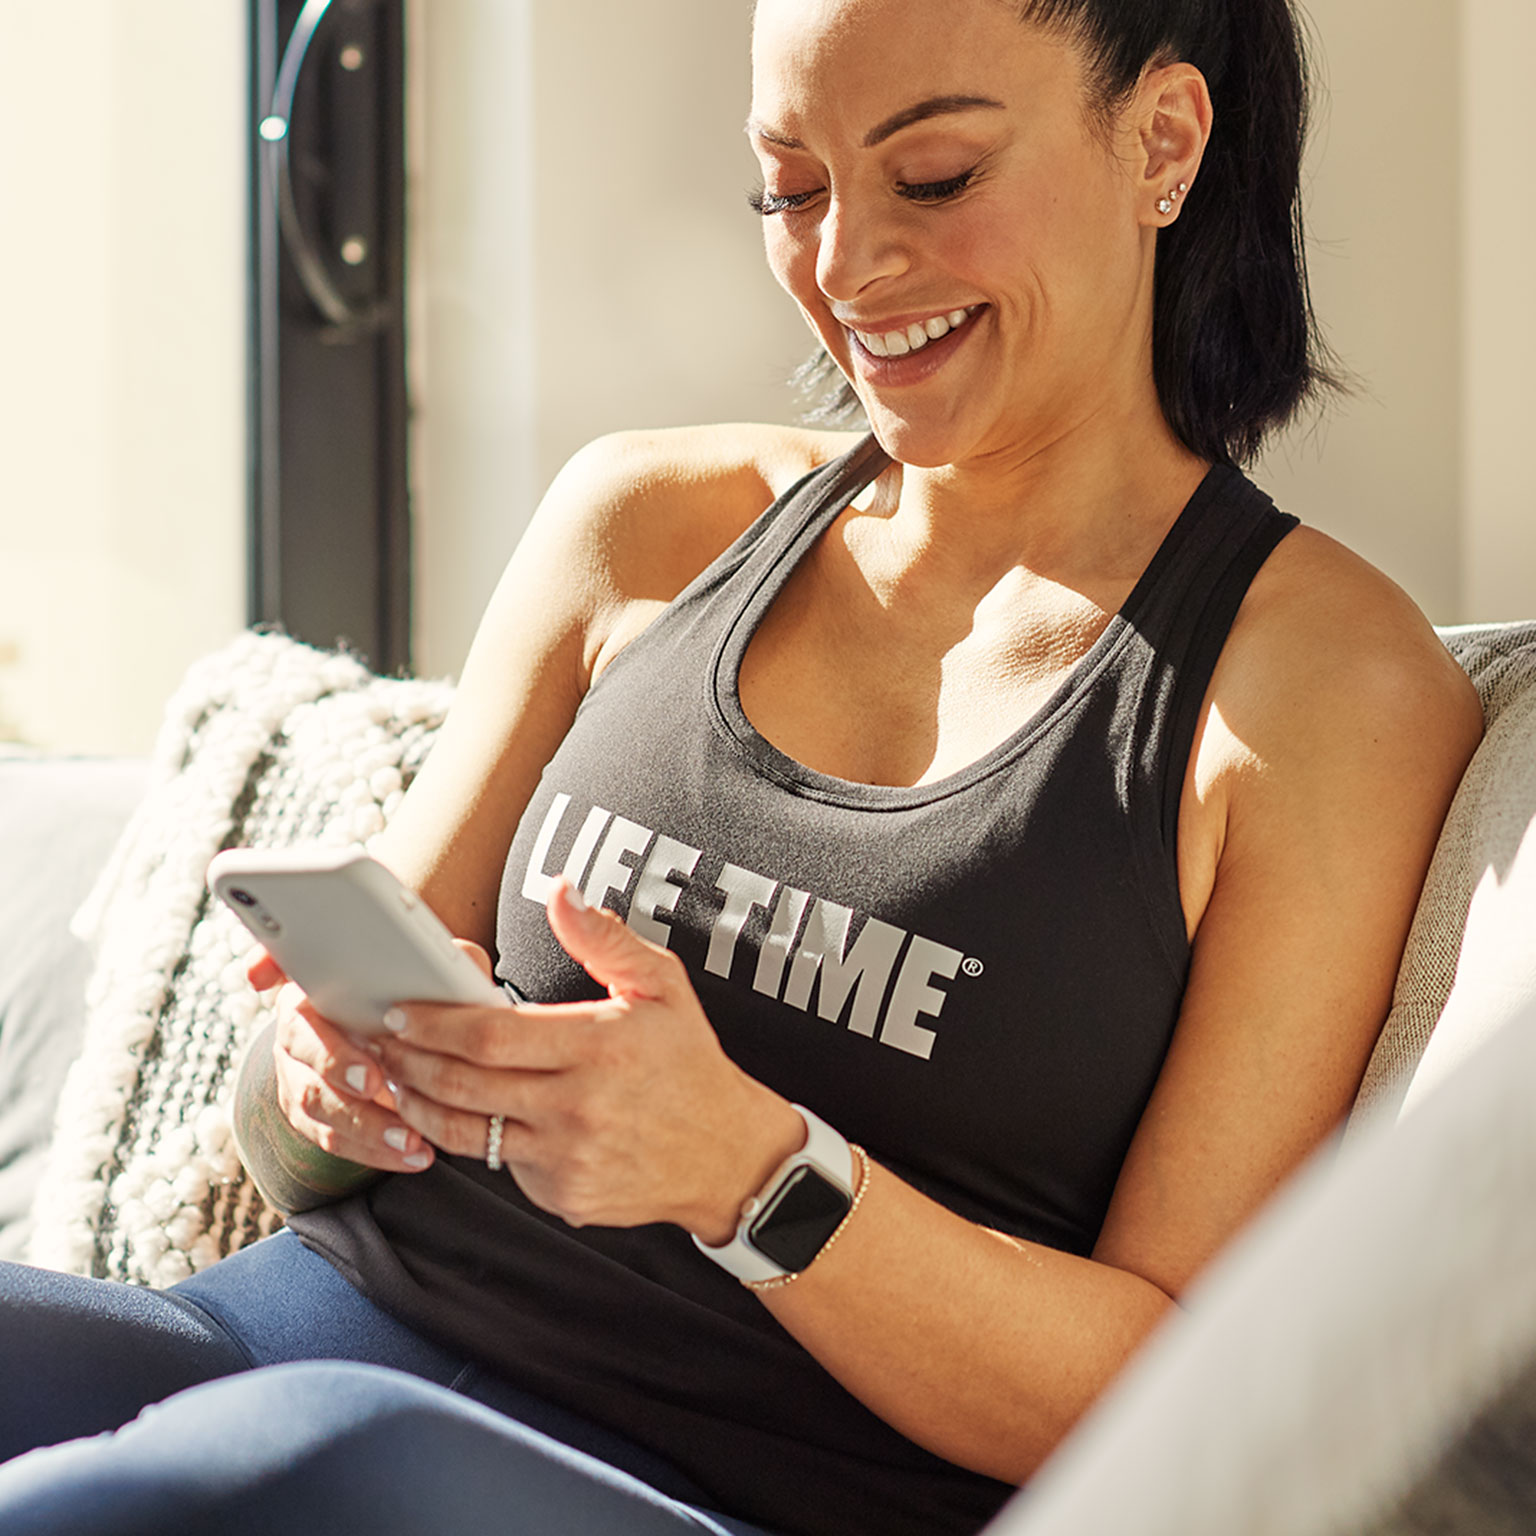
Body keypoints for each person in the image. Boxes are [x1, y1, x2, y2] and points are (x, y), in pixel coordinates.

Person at [0, 1, 1484, 1533]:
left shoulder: (1324, 690)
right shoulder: (639, 521)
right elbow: (300, 1110)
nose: (843, 268)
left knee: (275, 1470)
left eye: (936, 177)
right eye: (792, 187)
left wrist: (752, 1172)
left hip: (693, 1488)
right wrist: (323, 1086)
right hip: (271, 1342)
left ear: (1163, 141)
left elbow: (1190, 1391)